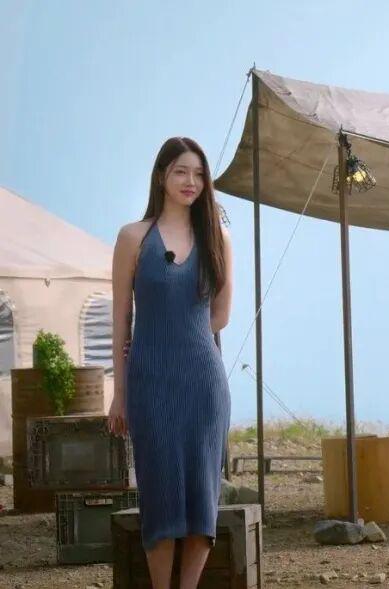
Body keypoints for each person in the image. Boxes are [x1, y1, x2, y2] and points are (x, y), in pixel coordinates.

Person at [109, 137, 233, 589]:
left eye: (199, 174)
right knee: (160, 499)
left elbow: (221, 315)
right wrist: (119, 393)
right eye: (181, 171)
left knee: (202, 501)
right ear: (162, 175)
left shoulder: (218, 237)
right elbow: (121, 319)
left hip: (203, 384)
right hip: (150, 383)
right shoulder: (133, 237)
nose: (190, 181)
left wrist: (184, 334)